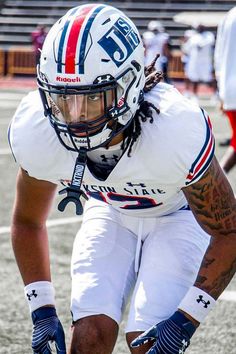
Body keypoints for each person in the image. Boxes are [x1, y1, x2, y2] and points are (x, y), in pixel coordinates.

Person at [8, 4, 236, 354]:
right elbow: (27, 220)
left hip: (177, 215)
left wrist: (186, 319)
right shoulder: (36, 129)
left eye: (93, 100)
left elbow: (228, 230)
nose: (75, 117)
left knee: (147, 341)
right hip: (109, 210)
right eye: (61, 100)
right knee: (88, 337)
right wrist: (41, 309)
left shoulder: (172, 128)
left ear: (129, 87)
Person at [214, 7, 236, 172]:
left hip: (228, 87)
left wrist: (221, 91)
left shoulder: (228, 16)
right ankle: (213, 185)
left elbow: (218, 56)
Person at [184, 24, 215, 102]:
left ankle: (215, 94)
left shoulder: (209, 35)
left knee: (209, 79)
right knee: (194, 79)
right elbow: (187, 49)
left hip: (205, 62)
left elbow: (210, 43)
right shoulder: (193, 37)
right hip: (195, 62)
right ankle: (195, 95)